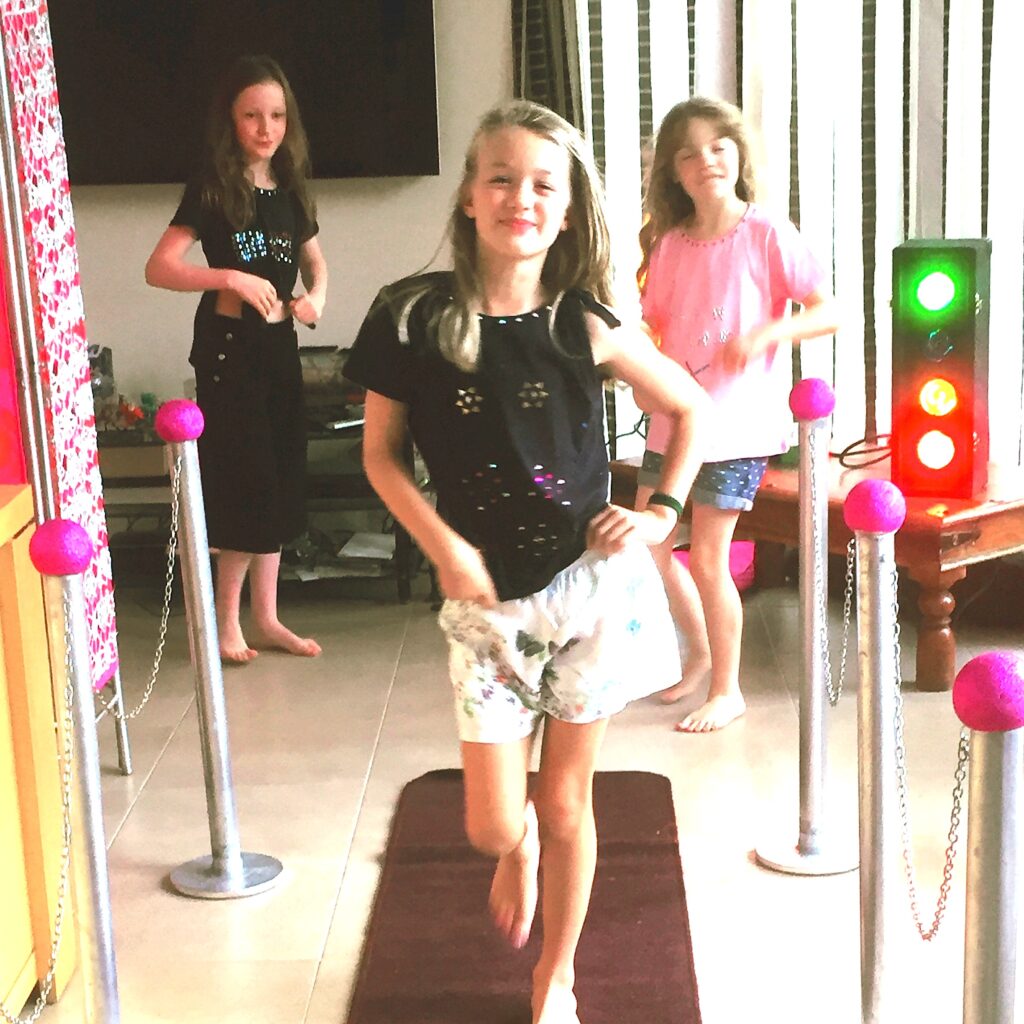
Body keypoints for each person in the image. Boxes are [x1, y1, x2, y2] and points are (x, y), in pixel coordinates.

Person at [342, 100, 707, 1024]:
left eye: (544, 184)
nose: (520, 198)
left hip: (590, 592)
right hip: (486, 609)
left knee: (567, 802)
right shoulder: (409, 314)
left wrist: (659, 513)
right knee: (496, 824)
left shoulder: (582, 318)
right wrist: (447, 547)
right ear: (468, 196)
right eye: (500, 178)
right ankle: (519, 853)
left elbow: (692, 410)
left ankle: (556, 974)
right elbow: (380, 456)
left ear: (570, 208)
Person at [635, 96, 840, 733]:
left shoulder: (766, 233)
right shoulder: (669, 244)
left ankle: (728, 689)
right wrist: (641, 370)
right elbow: (654, 325)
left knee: (710, 559)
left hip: (735, 429)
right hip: (673, 423)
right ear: (673, 170)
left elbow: (828, 310)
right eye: (688, 153)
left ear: (738, 154)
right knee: (653, 546)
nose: (706, 161)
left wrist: (764, 335)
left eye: (718, 146)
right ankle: (699, 655)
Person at [145, 54, 327, 663]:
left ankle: (267, 617)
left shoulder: (291, 189)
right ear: (232, 120)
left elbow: (315, 260)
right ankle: (226, 623)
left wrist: (315, 297)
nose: (265, 128)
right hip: (228, 353)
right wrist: (232, 277)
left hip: (278, 347)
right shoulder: (213, 189)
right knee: (245, 483)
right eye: (252, 115)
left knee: (277, 479)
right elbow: (160, 267)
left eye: (276, 115)